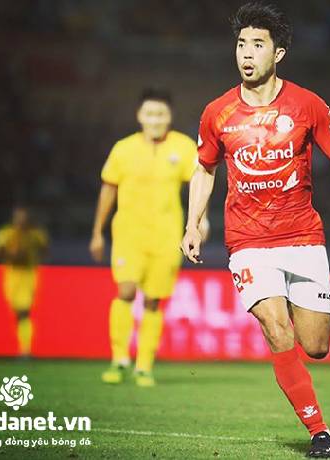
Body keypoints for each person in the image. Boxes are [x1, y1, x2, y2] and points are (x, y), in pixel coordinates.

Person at [181, 3, 330, 457]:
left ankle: (302, 369)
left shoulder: (307, 104)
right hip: (247, 242)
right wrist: (193, 224)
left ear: (278, 53)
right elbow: (204, 169)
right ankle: (319, 431)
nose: (246, 53)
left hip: (302, 237)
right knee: (276, 328)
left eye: (257, 45)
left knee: (316, 346)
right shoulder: (218, 112)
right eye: (241, 44)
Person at [90, 88, 207, 387]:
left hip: (167, 236)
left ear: (169, 117)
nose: (155, 120)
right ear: (139, 116)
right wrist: (97, 232)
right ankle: (119, 359)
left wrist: (200, 220)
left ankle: (144, 365)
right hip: (128, 234)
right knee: (126, 291)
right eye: (150, 114)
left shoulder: (183, 147)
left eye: (161, 114)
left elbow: (199, 183)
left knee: (154, 301)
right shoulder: (123, 149)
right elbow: (108, 189)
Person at [0, 205, 49, 356]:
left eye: (24, 217)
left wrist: (31, 257)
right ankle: (23, 346)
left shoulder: (36, 234)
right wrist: (10, 255)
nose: (21, 220)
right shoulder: (5, 233)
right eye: (18, 217)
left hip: (28, 274)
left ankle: (26, 349)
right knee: (17, 312)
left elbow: (45, 249)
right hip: (11, 274)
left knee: (24, 312)